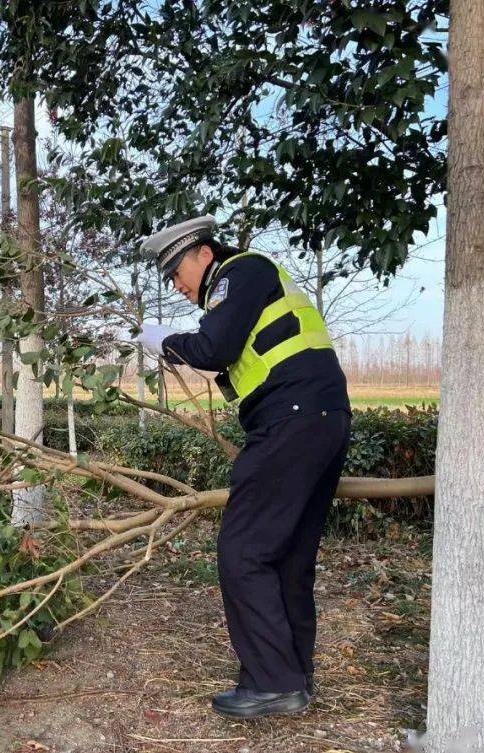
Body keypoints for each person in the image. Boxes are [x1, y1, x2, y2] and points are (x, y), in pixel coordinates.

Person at [135, 215, 351, 719]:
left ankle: (274, 682)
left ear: (204, 254)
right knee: (288, 558)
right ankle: (292, 676)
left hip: (291, 421)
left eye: (176, 272)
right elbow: (226, 358)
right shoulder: (247, 284)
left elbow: (214, 348)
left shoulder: (241, 271)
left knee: (243, 551)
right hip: (318, 418)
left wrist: (165, 341)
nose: (176, 286)